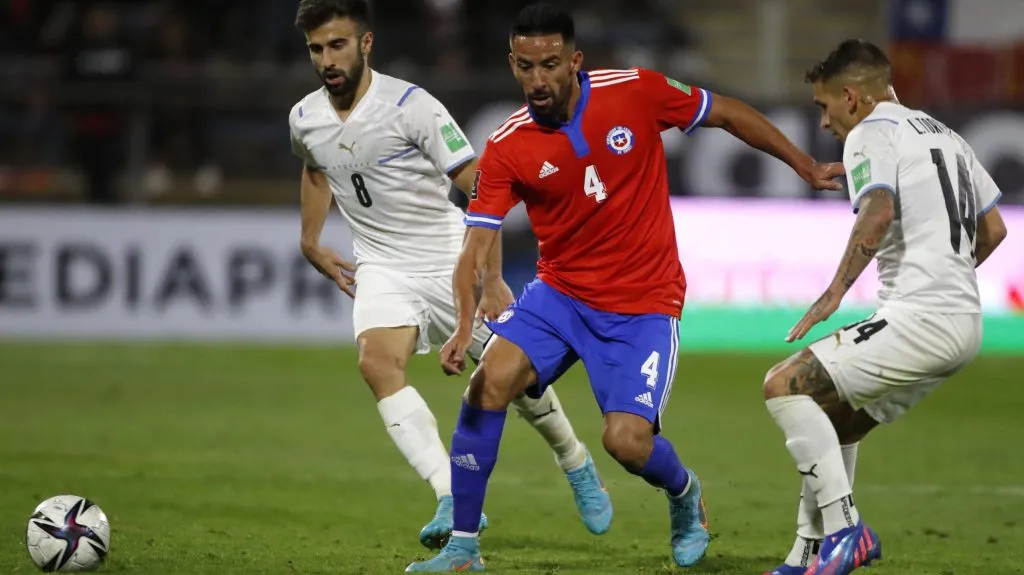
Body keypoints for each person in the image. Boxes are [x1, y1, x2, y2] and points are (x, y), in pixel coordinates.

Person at [406, 3, 844, 572]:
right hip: (559, 295)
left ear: (575, 60)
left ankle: (685, 494)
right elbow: (474, 251)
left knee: (626, 443)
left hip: (642, 305)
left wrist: (806, 166)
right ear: (512, 64)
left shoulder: (635, 91)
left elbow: (729, 113)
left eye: (550, 63)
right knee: (488, 382)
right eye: (525, 66)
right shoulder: (508, 146)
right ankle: (464, 548)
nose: (537, 79)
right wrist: (466, 328)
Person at [288, 0, 613, 550]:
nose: (327, 59)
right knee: (376, 363)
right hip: (382, 266)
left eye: (337, 45)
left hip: (448, 257)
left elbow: (481, 187)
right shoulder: (304, 117)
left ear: (366, 44)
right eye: (317, 49)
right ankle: (448, 495)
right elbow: (315, 166)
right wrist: (310, 240)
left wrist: (488, 273)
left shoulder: (413, 107)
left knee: (515, 383)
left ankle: (575, 461)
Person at [762, 39, 1007, 575]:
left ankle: (846, 531)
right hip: (963, 324)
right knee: (835, 419)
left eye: (824, 107)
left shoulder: (871, 132)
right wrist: (948, 275)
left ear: (851, 97)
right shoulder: (946, 134)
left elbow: (877, 210)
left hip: (921, 317)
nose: (825, 123)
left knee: (783, 385)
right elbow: (994, 228)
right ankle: (806, 552)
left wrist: (833, 293)